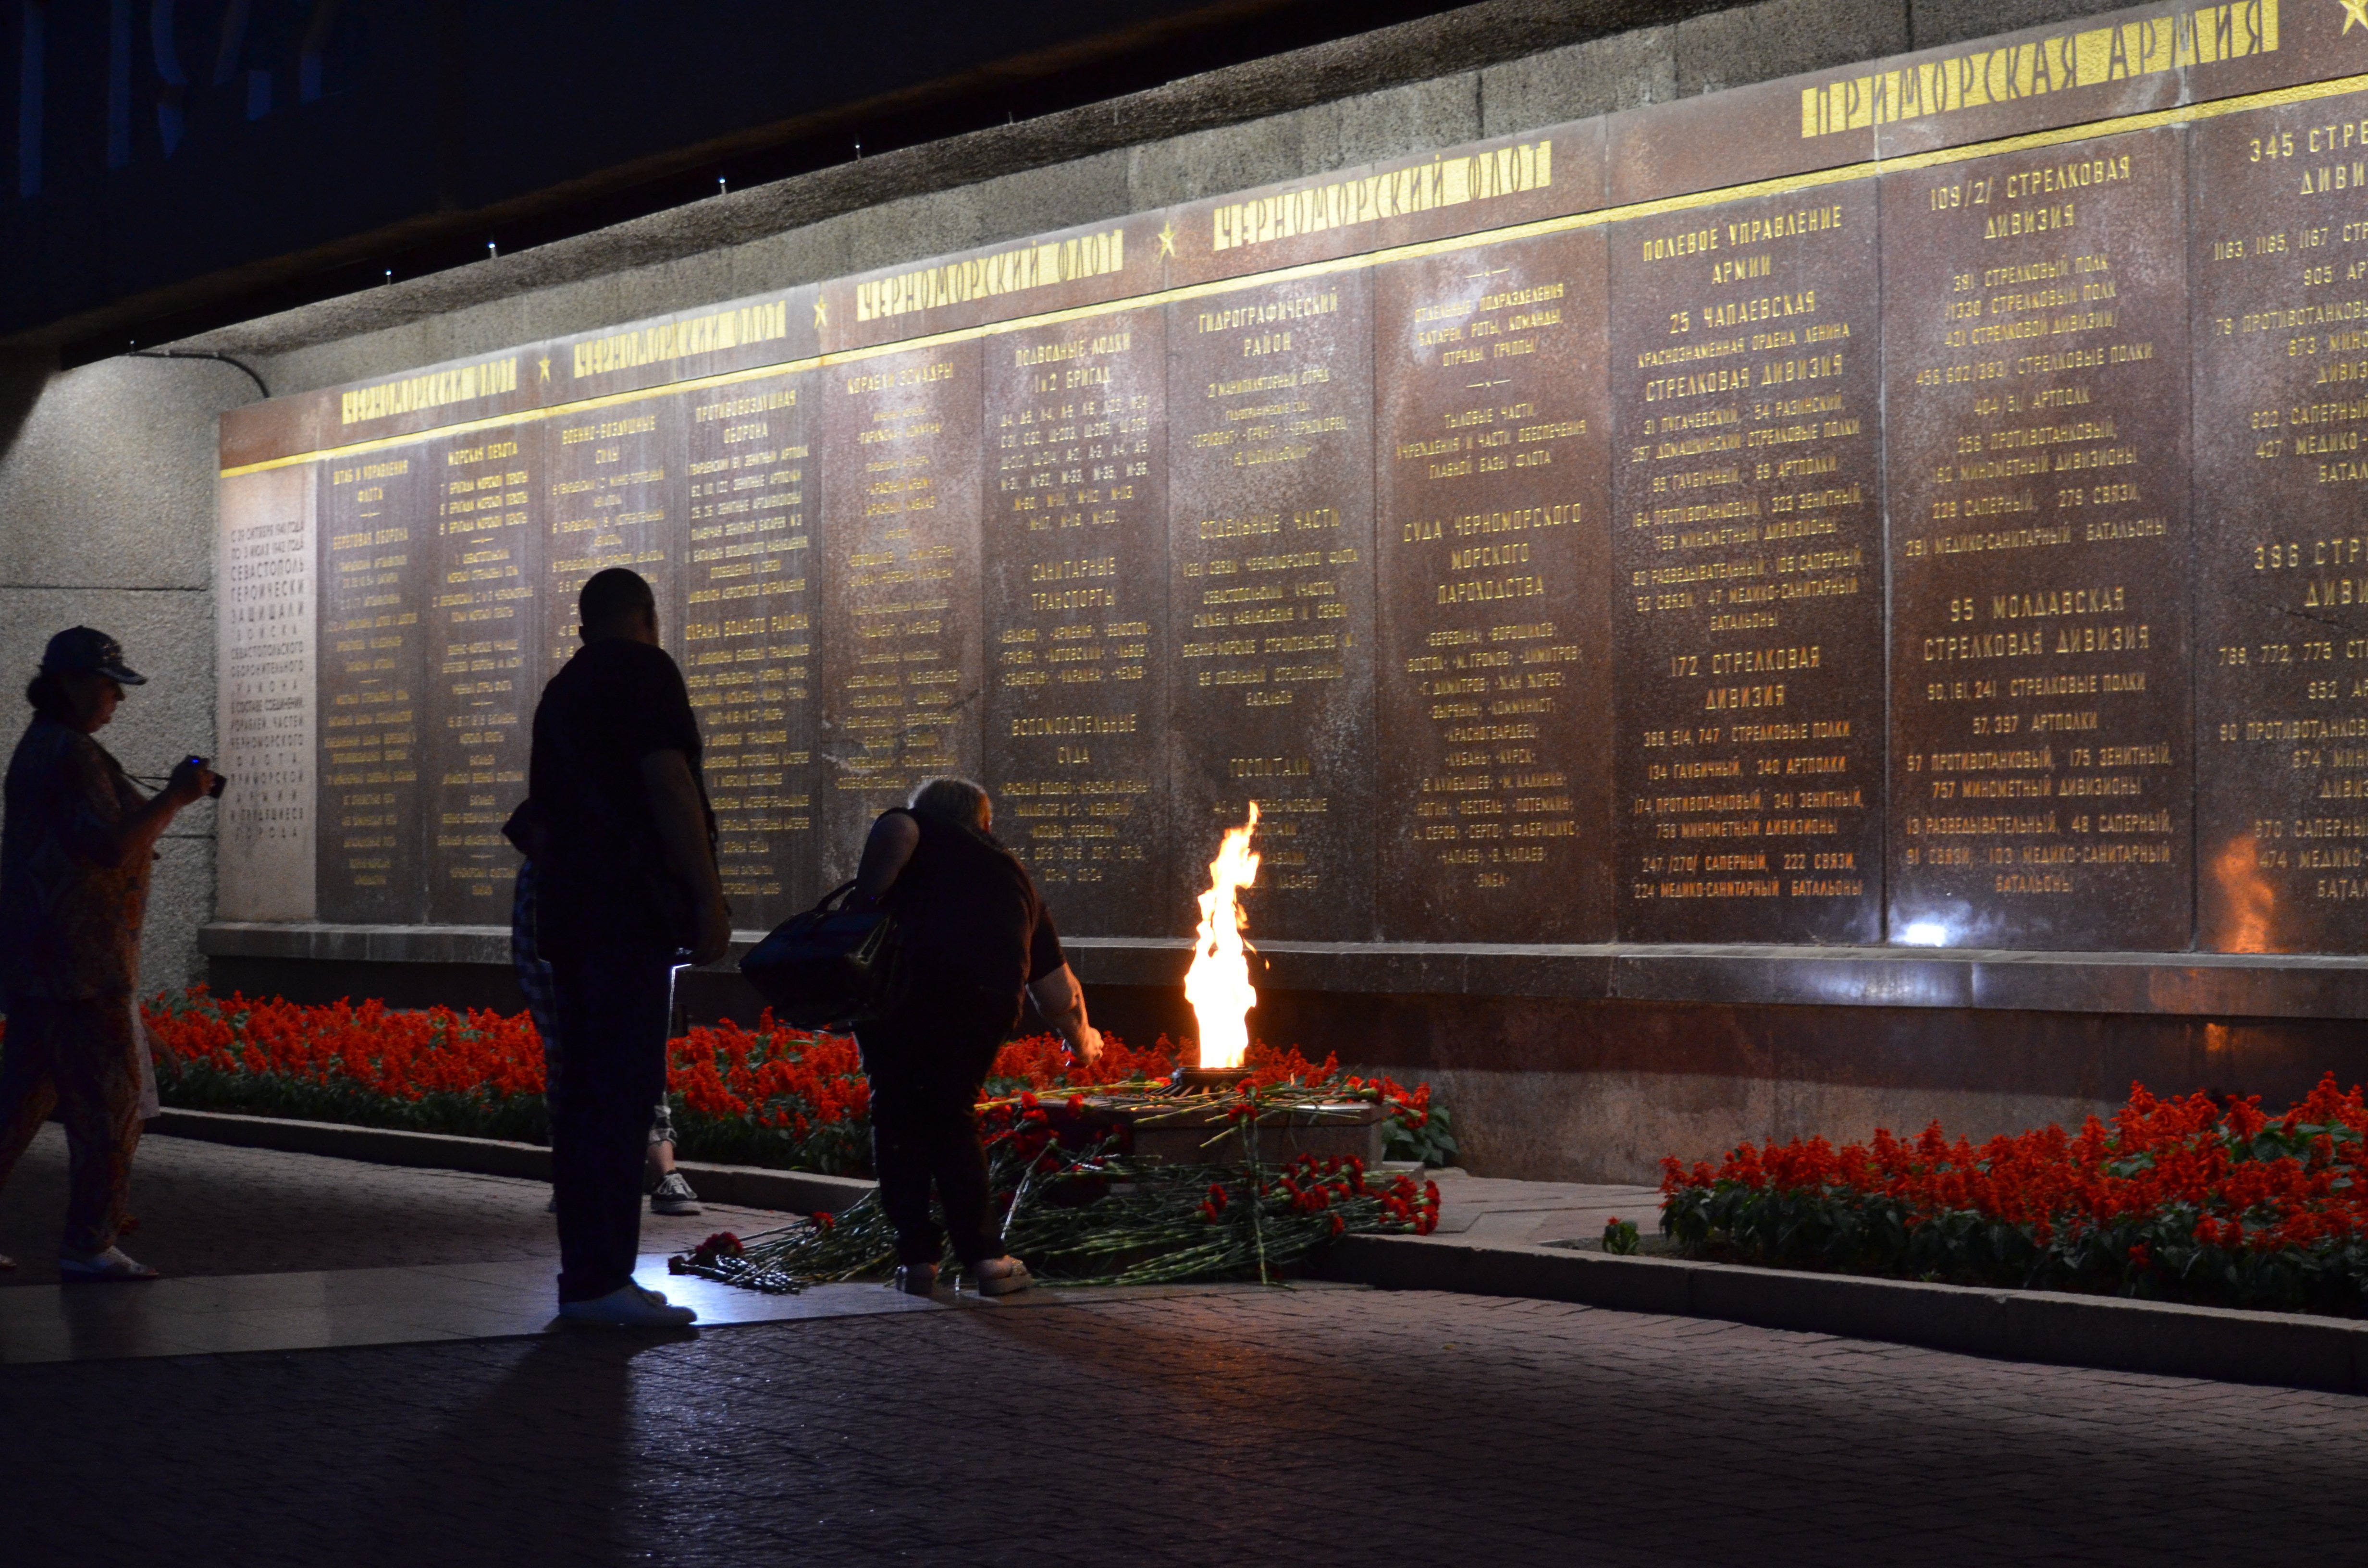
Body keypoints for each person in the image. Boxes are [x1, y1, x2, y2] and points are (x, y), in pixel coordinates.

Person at [527, 568, 729, 1328]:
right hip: (629, 920)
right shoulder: (644, 671)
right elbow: (668, 781)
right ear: (648, 618)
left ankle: (589, 1276)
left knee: (585, 1100)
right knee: (622, 1096)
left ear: (585, 626)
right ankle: (606, 1281)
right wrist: (706, 898)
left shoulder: (563, 691)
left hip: (574, 923)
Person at [0, 628, 214, 1280]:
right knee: (112, 1109)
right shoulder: (70, 754)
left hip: (45, 963)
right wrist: (177, 797)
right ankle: (90, 1242)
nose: (115, 701)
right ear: (67, 683)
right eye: (106, 686)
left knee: (17, 1104)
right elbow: (111, 847)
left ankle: (90, 1241)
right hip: (84, 969)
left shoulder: (42, 748)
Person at [851, 776, 1103, 1298]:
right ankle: (986, 1259)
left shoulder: (909, 826)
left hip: (897, 999)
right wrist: (1083, 1041)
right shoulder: (1014, 877)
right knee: (951, 1116)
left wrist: (867, 900)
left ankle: (917, 1259)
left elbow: (877, 877)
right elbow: (1057, 991)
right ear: (985, 823)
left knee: (895, 1114)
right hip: (981, 1004)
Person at [506, 849, 702, 1216]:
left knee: (639, 1049)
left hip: (631, 902)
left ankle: (661, 1173)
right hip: (566, 902)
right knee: (572, 1052)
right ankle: (577, 1177)